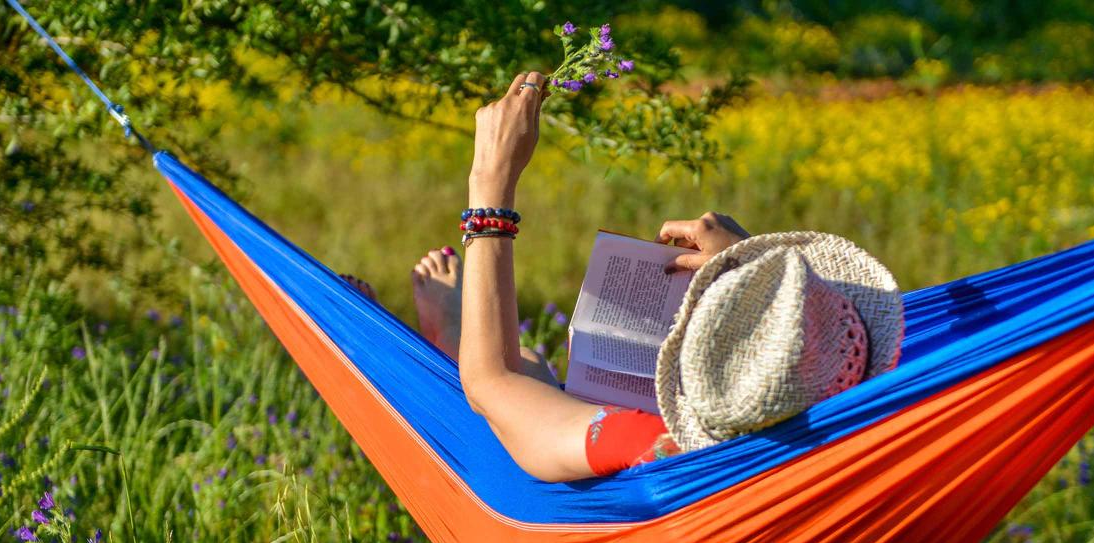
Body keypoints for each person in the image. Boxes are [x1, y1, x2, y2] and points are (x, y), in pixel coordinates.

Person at [349, 71, 904, 483]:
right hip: (800, 455)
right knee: (533, 371)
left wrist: (490, 184)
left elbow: (491, 387)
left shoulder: (653, 441)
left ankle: (453, 336)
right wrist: (743, 260)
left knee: (512, 390)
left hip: (603, 477)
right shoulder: (860, 426)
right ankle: (468, 336)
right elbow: (797, 345)